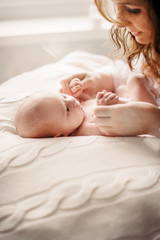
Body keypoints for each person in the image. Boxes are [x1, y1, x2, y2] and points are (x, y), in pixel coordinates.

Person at [60, 0, 160, 137]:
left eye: (133, 10)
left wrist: (153, 121)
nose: (119, 23)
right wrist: (98, 80)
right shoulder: (152, 49)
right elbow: (135, 71)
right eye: (115, 6)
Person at [15, 75, 157, 138]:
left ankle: (152, 88)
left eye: (63, 97)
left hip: (128, 100)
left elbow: (87, 99)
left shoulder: (77, 112)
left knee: (121, 87)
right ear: (61, 134)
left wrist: (78, 90)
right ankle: (149, 84)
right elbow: (107, 128)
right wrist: (104, 108)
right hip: (144, 111)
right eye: (67, 109)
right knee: (135, 80)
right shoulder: (82, 130)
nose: (72, 101)